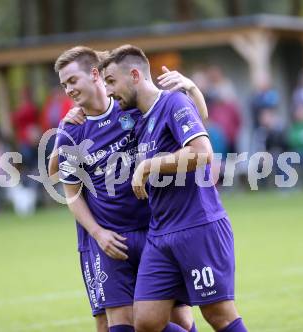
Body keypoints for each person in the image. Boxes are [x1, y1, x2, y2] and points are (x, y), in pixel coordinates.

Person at [50, 46, 207, 332]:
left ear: (95, 74)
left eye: (72, 81)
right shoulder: (73, 130)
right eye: (64, 85)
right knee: (116, 324)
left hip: (155, 231)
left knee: (180, 319)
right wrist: (98, 234)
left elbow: (195, 123)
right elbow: (64, 184)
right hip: (108, 238)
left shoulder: (131, 108)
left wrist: (191, 87)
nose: (68, 90)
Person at [100, 45, 247, 332]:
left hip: (198, 226)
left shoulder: (173, 103)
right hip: (161, 233)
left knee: (218, 315)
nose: (108, 92)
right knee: (146, 321)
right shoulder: (140, 120)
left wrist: (149, 166)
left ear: (134, 75)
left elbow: (202, 152)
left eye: (111, 82)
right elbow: (200, 116)